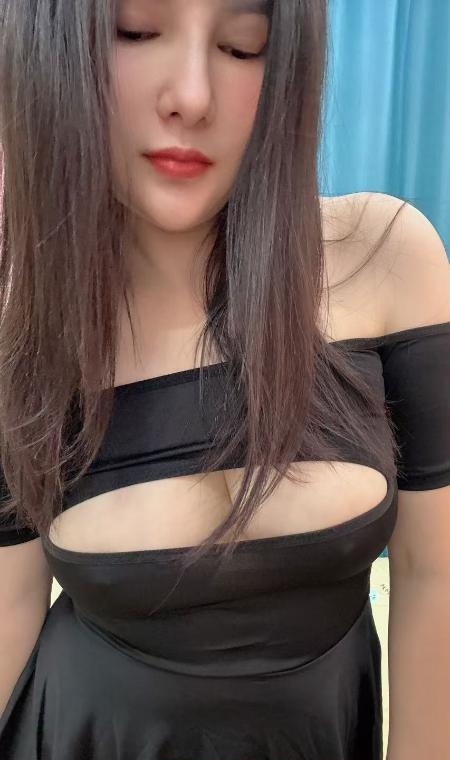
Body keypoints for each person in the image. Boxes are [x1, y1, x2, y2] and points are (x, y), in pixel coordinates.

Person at [0, 1, 449, 758]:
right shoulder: (25, 325)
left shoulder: (387, 259)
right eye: (135, 31)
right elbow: (9, 608)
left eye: (245, 46)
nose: (192, 95)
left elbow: (435, 574)